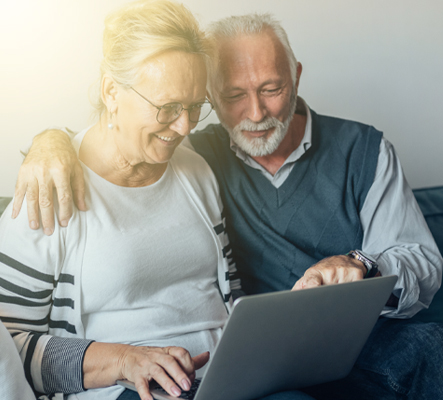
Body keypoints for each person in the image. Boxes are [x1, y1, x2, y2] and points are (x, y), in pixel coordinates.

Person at [10, 11, 443, 400]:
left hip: (280, 363)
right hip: (173, 380)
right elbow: (7, 346)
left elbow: (421, 259)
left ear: (295, 75)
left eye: (271, 88)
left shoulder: (202, 166)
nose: (254, 113)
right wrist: (49, 143)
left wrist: (361, 267)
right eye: (231, 96)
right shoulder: (63, 182)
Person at [0, 1, 251, 400]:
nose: (184, 126)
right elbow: (8, 350)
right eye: (168, 107)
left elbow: (230, 292)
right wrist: (123, 360)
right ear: (111, 91)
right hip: (127, 390)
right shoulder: (49, 186)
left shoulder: (196, 170)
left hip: (226, 379)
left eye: (194, 107)